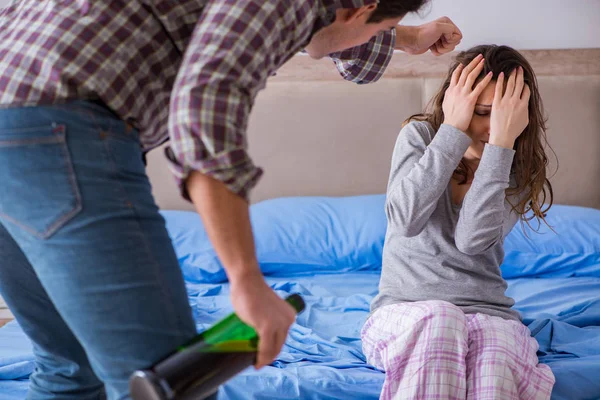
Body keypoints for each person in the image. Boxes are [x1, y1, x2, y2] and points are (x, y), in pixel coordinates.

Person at [0, 0, 463, 399]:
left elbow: (328, 36)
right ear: (362, 9)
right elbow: (205, 108)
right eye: (379, 26)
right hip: (57, 133)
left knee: (70, 366)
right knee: (171, 382)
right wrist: (245, 279)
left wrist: (404, 36)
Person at [361, 44, 556, 399]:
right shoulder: (419, 138)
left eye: (503, 115)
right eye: (482, 112)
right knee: (441, 318)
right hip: (407, 312)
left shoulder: (515, 164)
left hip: (489, 315)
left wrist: (501, 145)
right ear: (457, 102)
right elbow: (405, 219)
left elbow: (471, 240)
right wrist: (451, 131)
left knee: (493, 354)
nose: (489, 126)